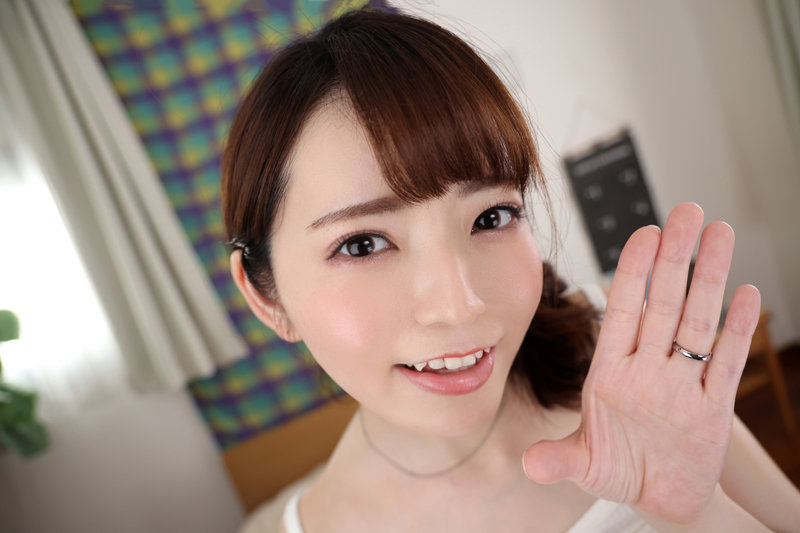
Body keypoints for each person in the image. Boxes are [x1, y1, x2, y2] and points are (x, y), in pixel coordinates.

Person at [222, 8, 800, 532]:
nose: (460, 304)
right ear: (266, 296)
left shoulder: (611, 351)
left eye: (491, 216)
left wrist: (700, 517)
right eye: (362, 245)